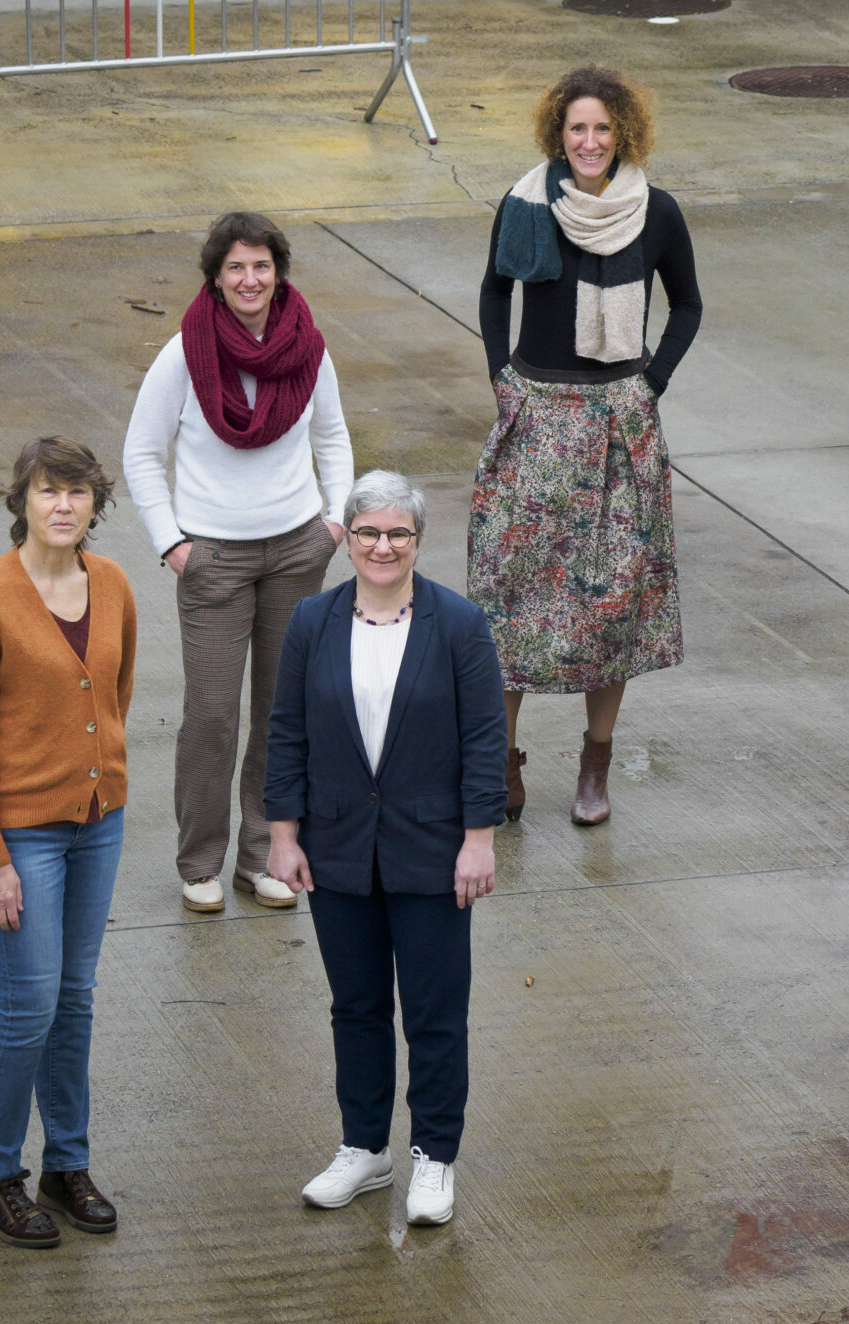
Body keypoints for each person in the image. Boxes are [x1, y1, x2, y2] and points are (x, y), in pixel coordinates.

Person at [264, 470, 507, 1226]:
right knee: (357, 1007)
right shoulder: (311, 621)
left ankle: (434, 1158)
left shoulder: (460, 624)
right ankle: (364, 1149)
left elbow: (484, 739)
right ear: (348, 538)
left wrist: (478, 840)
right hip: (337, 849)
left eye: (397, 532)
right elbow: (286, 732)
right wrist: (282, 834)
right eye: (367, 531)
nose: (381, 545)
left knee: (434, 1012)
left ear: (417, 541)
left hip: (432, 851)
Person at [470, 64, 702, 826]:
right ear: (558, 135)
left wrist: (651, 382)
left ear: (623, 132)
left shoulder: (656, 211)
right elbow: (495, 289)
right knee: (510, 595)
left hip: (619, 423)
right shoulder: (528, 200)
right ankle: (501, 764)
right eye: (578, 129)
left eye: (603, 128)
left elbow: (688, 305)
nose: (590, 141)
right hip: (535, 413)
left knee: (615, 599)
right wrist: (502, 377)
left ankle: (594, 764)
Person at [123, 210, 354, 914]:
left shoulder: (309, 349)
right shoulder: (183, 355)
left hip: (296, 551)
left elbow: (335, 438)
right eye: (236, 268)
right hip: (213, 559)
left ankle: (265, 855)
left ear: (278, 272)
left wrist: (334, 522)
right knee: (214, 716)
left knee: (284, 713)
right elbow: (140, 453)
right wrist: (173, 544)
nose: (250, 280)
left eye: (261, 266)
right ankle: (200, 862)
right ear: (215, 279)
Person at [0, 436, 137, 1248]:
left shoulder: (115, 584)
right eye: (48, 492)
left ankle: (66, 1164)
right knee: (28, 1006)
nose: (63, 506)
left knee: (76, 1000)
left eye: (78, 493)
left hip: (99, 822)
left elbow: (116, 694)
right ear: (21, 501)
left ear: (96, 505)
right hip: (22, 833)